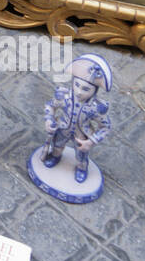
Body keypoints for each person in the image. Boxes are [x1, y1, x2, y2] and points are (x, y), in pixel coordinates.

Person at [41, 54, 112, 184]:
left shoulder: (96, 107)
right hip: (63, 128)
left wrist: (91, 142)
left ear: (94, 90)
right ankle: (56, 156)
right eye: (77, 85)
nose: (79, 91)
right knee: (57, 146)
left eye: (86, 89)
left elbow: (105, 127)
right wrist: (49, 119)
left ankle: (81, 169)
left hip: (82, 136)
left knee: (81, 157)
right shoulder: (63, 96)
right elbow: (50, 106)